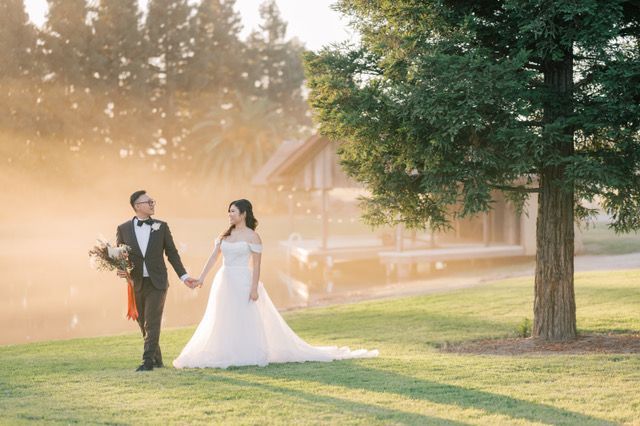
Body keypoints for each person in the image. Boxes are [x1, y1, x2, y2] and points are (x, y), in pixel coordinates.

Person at [173, 199, 378, 369]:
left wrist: (254, 288)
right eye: (228, 212)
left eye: (233, 211)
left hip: (243, 280)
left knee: (243, 315)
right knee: (222, 315)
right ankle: (225, 350)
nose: (229, 215)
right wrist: (201, 278)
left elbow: (257, 265)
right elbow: (213, 258)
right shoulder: (224, 236)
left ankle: (246, 351)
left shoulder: (253, 237)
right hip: (224, 280)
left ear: (243, 214)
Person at [116, 190, 198, 371]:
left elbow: (172, 254)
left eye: (153, 201)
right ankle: (157, 360)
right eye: (148, 202)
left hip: (158, 282)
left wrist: (184, 276)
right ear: (137, 206)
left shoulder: (161, 226)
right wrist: (121, 270)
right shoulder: (123, 229)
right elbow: (120, 256)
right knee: (143, 322)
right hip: (136, 282)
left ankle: (147, 362)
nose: (152, 204)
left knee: (152, 321)